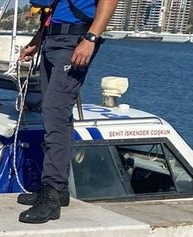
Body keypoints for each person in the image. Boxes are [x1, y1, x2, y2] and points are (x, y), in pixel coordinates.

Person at [16, 0, 118, 223]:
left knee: (55, 114)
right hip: (52, 39)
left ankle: (51, 194)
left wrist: (91, 39)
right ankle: (59, 189)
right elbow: (56, 7)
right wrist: (38, 40)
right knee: (54, 114)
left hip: (75, 41)